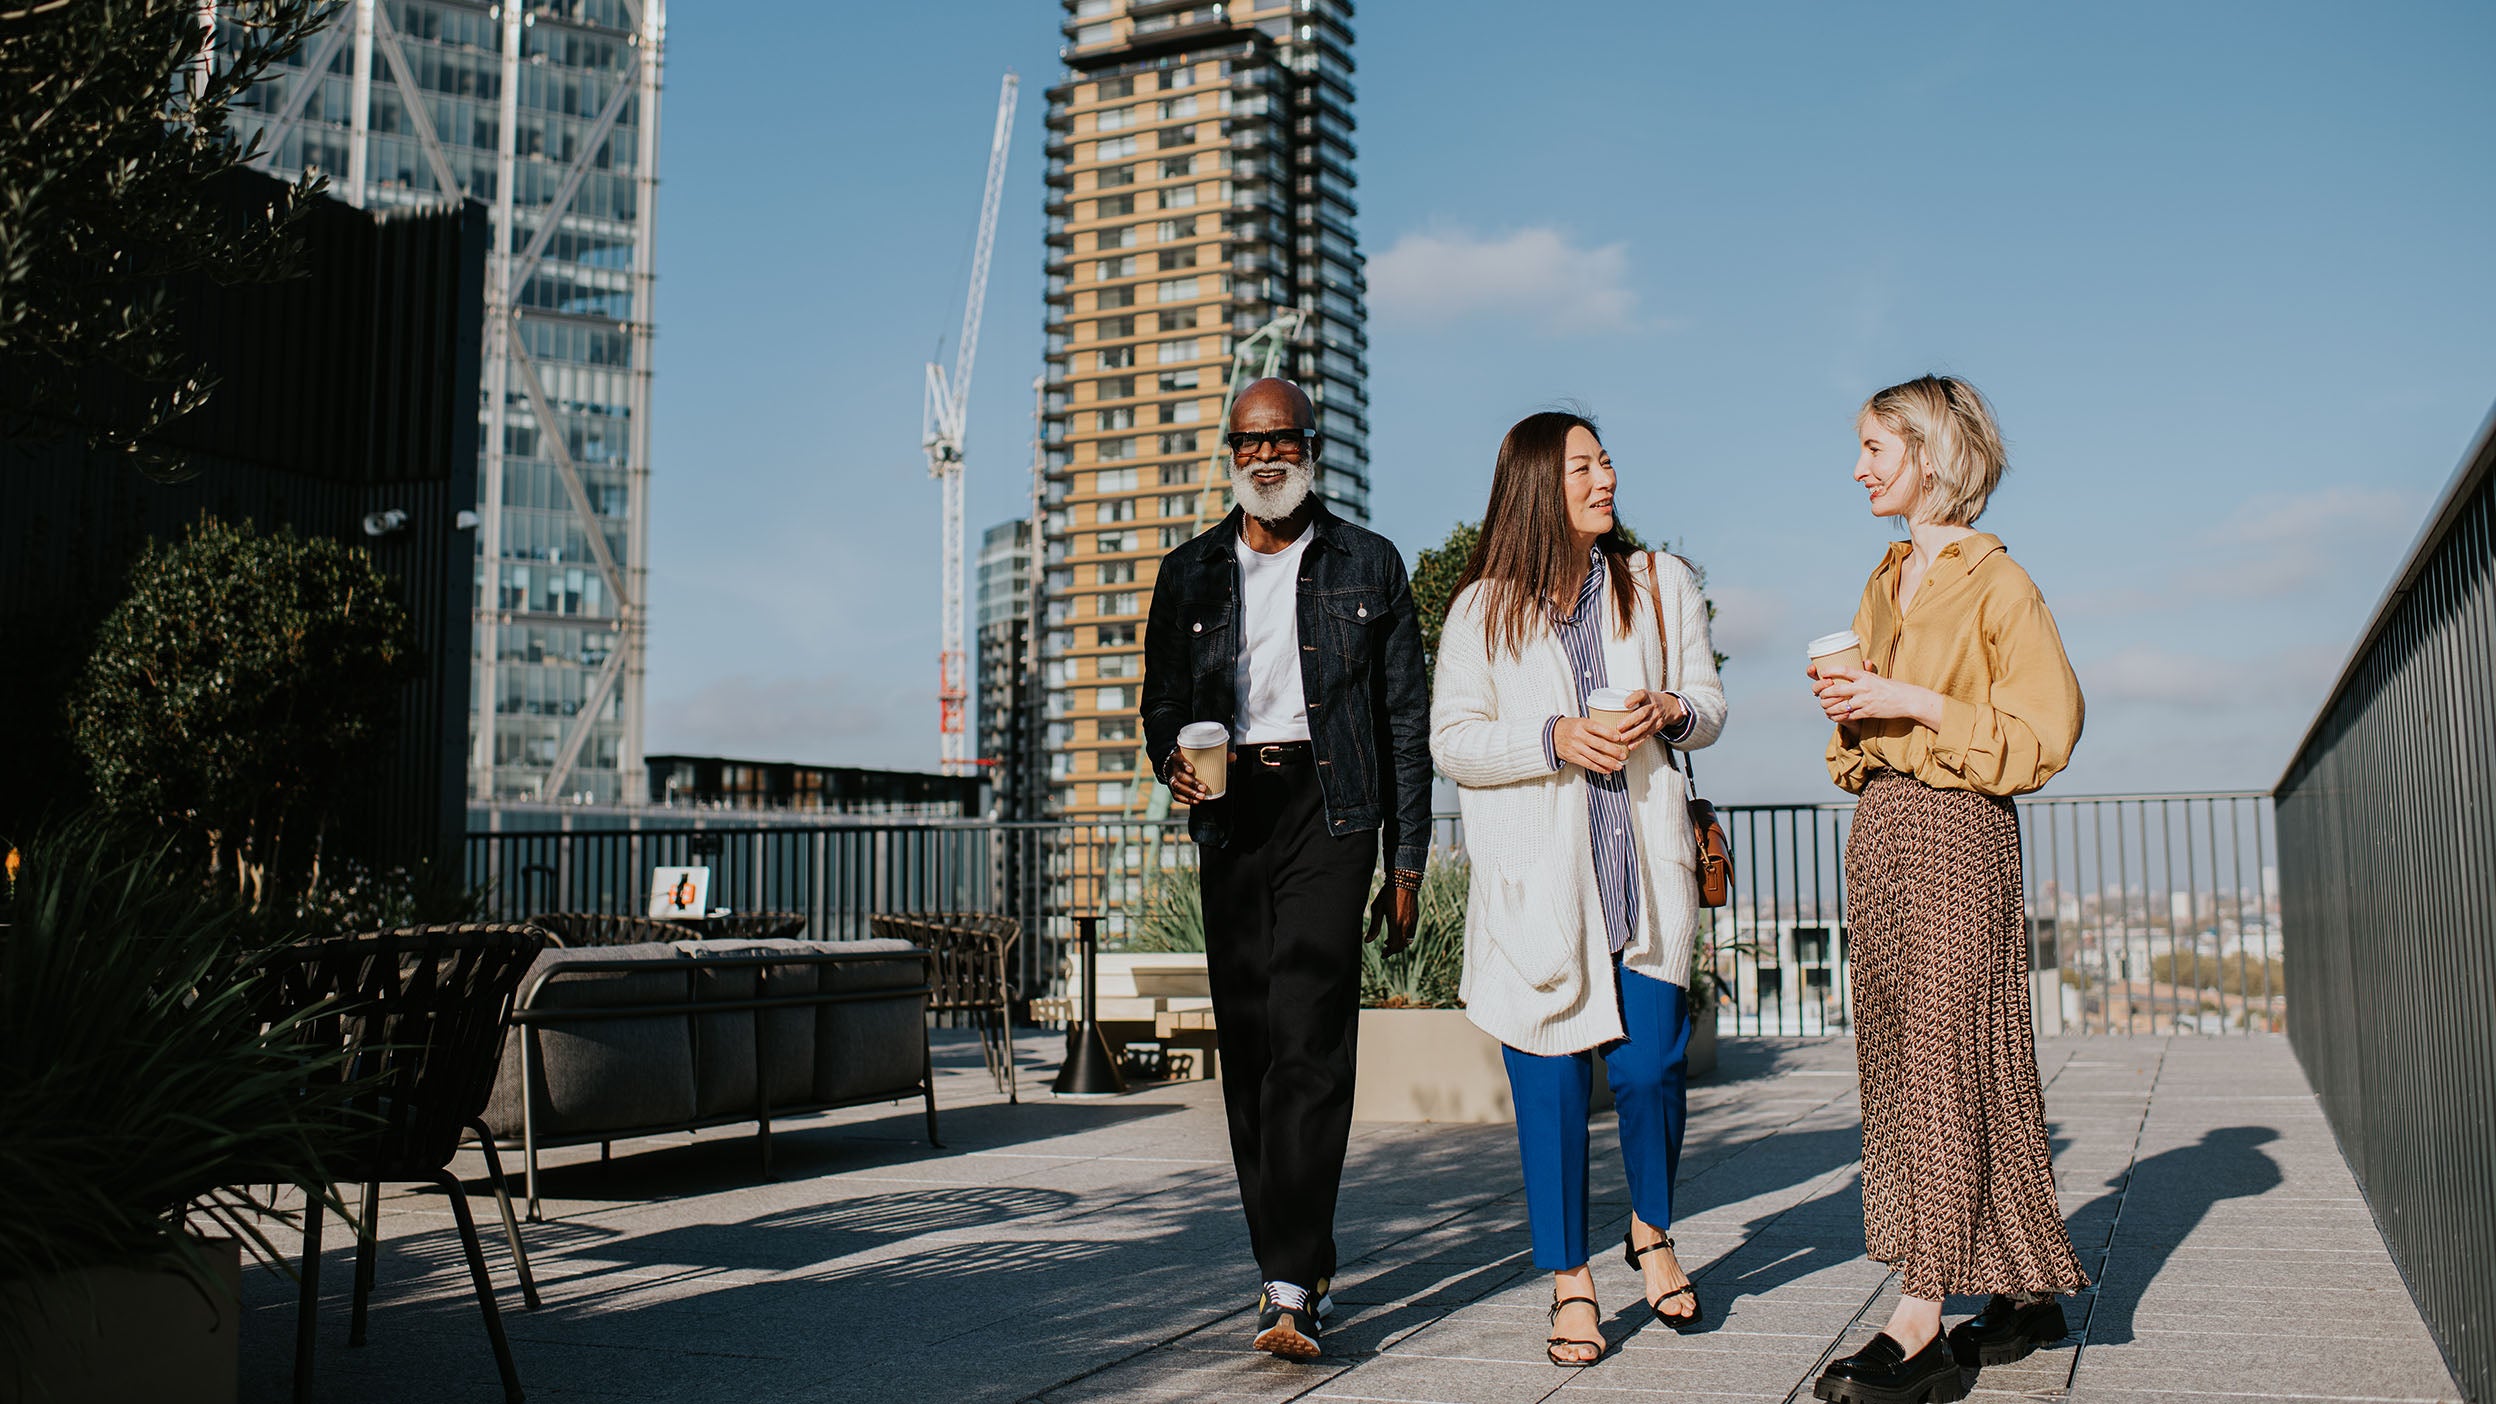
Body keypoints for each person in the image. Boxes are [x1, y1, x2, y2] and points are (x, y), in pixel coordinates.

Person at [1808, 375, 2088, 1404]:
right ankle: (2022, 1291)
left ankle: (1920, 1319)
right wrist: (1852, 713)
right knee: (1914, 1054)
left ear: (1930, 454)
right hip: (1880, 827)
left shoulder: (2000, 585)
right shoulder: (1882, 582)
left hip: (1960, 832)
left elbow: (2042, 735)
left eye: (1876, 447)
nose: (1859, 467)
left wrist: (1909, 699)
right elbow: (1863, 742)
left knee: (1942, 1055)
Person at [1429, 410, 1726, 1367]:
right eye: (1583, 468)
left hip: (1640, 880)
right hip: (1539, 892)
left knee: (1649, 1070)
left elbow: (1709, 706)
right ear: (1534, 487)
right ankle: (1568, 1280)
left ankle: (1652, 1230)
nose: (1606, 480)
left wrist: (1670, 711)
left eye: (1606, 463)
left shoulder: (1657, 583)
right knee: (1552, 1089)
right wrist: (1551, 737)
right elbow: (1452, 743)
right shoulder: (1483, 609)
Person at [1142, 377, 1431, 1360]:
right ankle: (1298, 1255)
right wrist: (1171, 763)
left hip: (1329, 806)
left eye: (1284, 438)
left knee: (1310, 1031)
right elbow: (1159, 707)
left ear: (1313, 447)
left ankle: (1288, 1287)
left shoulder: (1369, 564)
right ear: (1231, 454)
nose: (1266, 455)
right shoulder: (1186, 574)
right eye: (1248, 441)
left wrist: (1407, 865)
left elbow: (1403, 729)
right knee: (1255, 1047)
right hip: (1229, 811)